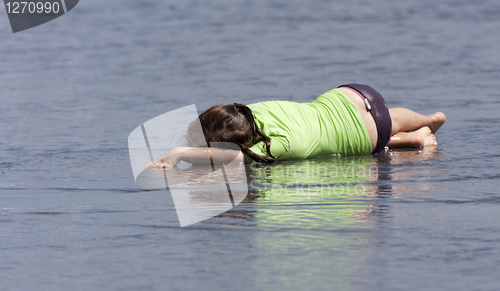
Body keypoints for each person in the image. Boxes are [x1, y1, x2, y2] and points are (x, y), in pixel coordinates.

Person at [146, 84, 446, 168]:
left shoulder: (273, 146)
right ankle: (425, 121)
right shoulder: (252, 110)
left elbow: (237, 157)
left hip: (365, 136)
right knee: (389, 118)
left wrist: (180, 153)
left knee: (346, 143)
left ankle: (414, 139)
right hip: (351, 95)